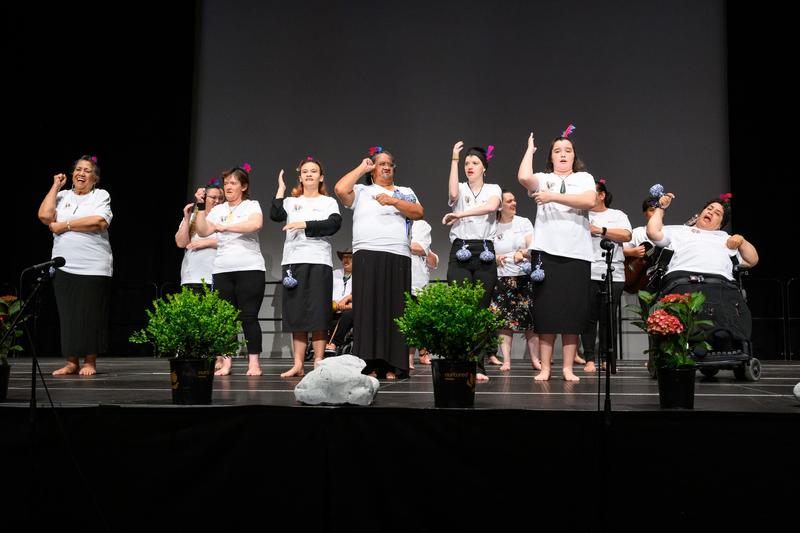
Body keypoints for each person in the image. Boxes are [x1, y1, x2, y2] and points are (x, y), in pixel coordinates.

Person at [334, 147, 424, 380]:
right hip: (367, 254)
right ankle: (369, 364)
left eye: (389, 164)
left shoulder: (404, 191)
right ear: (373, 169)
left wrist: (393, 201)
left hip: (397, 254)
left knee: (395, 310)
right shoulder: (363, 190)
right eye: (380, 163)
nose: (385, 167)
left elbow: (418, 212)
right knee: (367, 310)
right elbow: (340, 189)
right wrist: (362, 168)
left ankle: (393, 364)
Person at [517, 129, 597, 382]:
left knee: (572, 314)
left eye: (568, 151)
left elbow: (589, 201)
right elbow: (523, 177)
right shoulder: (543, 178)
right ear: (551, 157)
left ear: (574, 156)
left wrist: (552, 196)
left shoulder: (584, 178)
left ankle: (568, 368)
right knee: (547, 313)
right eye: (557, 151)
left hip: (577, 253)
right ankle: (546, 368)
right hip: (546, 252)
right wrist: (530, 150)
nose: (563, 155)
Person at [646, 193, 758, 343]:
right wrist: (660, 208)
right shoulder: (679, 231)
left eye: (717, 213)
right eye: (709, 208)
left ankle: (724, 342)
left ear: (720, 224)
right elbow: (653, 232)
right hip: (682, 281)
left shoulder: (724, 237)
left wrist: (742, 241)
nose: (710, 212)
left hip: (721, 284)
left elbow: (752, 260)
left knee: (734, 310)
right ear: (701, 212)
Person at [37, 155, 113, 376]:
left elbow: (99, 222)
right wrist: (54, 186)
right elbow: (44, 216)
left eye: (87, 170)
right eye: (78, 169)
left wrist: (65, 225)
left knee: (90, 314)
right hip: (64, 265)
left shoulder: (100, 195)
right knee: (68, 314)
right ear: (72, 175)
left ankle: (90, 361)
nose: (81, 174)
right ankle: (71, 362)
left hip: (94, 265)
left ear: (95, 178)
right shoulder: (62, 196)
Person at [270, 158, 342, 378]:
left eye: (314, 171)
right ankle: (298, 363)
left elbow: (333, 225)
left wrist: (305, 224)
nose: (309, 174)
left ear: (321, 177)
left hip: (319, 261)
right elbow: (276, 215)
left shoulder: (328, 202)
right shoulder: (292, 201)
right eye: (305, 172)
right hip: (294, 261)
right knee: (297, 314)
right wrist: (280, 190)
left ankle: (318, 362)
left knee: (320, 313)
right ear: (299, 177)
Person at [193, 164, 265, 376]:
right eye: (226, 183)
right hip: (223, 269)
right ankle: (226, 362)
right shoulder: (218, 210)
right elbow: (204, 230)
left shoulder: (251, 205)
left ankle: (254, 363)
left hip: (250, 267)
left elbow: (255, 225)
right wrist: (199, 205)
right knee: (225, 319)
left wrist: (226, 227)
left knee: (248, 317)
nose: (228, 186)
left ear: (244, 186)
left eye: (233, 183)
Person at [442, 141, 502, 382]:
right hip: (461, 251)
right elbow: (453, 194)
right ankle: (460, 360)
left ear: (484, 167)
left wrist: (461, 214)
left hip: (485, 252)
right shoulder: (460, 188)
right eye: (467, 163)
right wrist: (454, 159)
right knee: (460, 307)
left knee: (480, 309)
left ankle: (477, 365)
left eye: (474, 163)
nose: (470, 166)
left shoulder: (493, 188)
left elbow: (491, 206)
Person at [581, 180, 632, 373]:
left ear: (601, 195)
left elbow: (626, 236)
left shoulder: (617, 215)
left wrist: (600, 230)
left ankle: (606, 358)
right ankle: (589, 359)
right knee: (588, 318)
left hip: (614, 271)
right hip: (587, 270)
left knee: (608, 318)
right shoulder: (580, 214)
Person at [489, 190, 540, 372]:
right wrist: (494, 257)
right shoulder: (492, 225)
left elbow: (531, 244)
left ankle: (535, 359)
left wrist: (524, 253)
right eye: (509, 201)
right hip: (502, 278)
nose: (514, 203)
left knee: (530, 320)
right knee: (504, 322)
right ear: (500, 205)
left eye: (514, 199)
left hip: (524, 277)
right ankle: (507, 360)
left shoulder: (523, 222)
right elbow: (486, 250)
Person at [175, 178, 223, 292]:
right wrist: (186, 218)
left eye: (220, 198)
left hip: (215, 278)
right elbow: (181, 243)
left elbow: (231, 241)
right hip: (191, 278)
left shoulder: (224, 218)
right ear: (204, 198)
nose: (217, 201)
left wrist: (206, 243)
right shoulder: (192, 217)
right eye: (213, 197)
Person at [408, 219, 439, 370]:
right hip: (402, 281)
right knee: (406, 324)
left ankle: (419, 354)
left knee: (418, 323)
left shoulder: (421, 225)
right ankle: (409, 356)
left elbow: (433, 261)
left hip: (418, 284)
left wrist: (425, 249)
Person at [326, 249, 354, 355]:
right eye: (344, 258)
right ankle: (321, 342)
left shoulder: (360, 276)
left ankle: (334, 343)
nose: (346, 261)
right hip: (332, 306)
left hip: (349, 308)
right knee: (321, 310)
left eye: (350, 258)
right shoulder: (335, 274)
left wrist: (346, 304)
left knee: (349, 314)